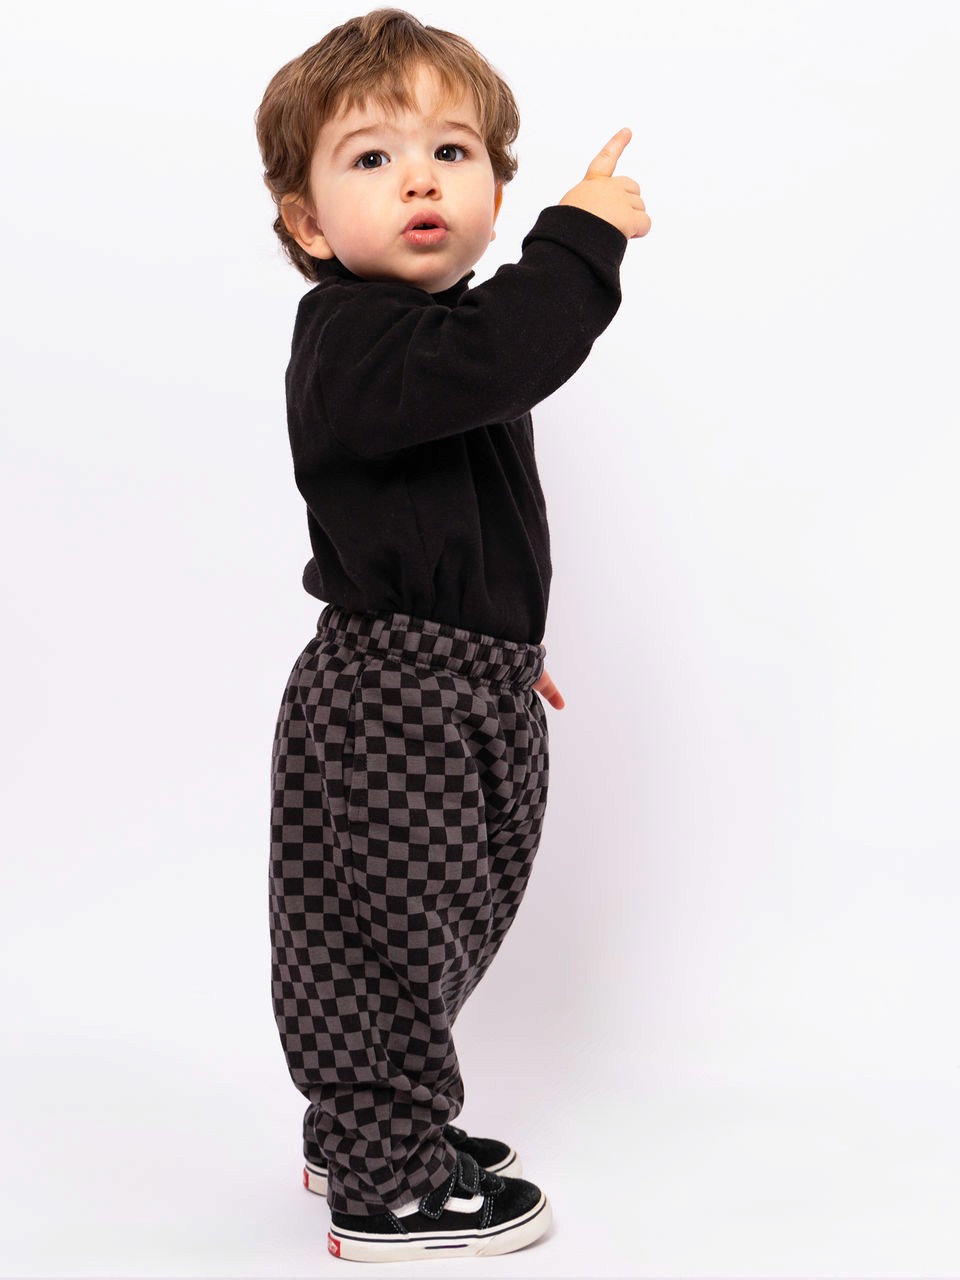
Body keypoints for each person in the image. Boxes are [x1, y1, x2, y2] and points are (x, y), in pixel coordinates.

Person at [255, 6, 650, 1263]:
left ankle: (377, 1124)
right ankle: (388, 1180)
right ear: (309, 224)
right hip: (392, 696)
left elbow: (462, 515)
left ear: (490, 194)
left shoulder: (431, 343)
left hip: (462, 676)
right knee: (386, 939)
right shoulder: (357, 341)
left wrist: (505, 642)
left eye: (451, 152)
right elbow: (507, 350)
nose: (419, 178)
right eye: (371, 157)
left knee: (444, 922)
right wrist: (580, 239)